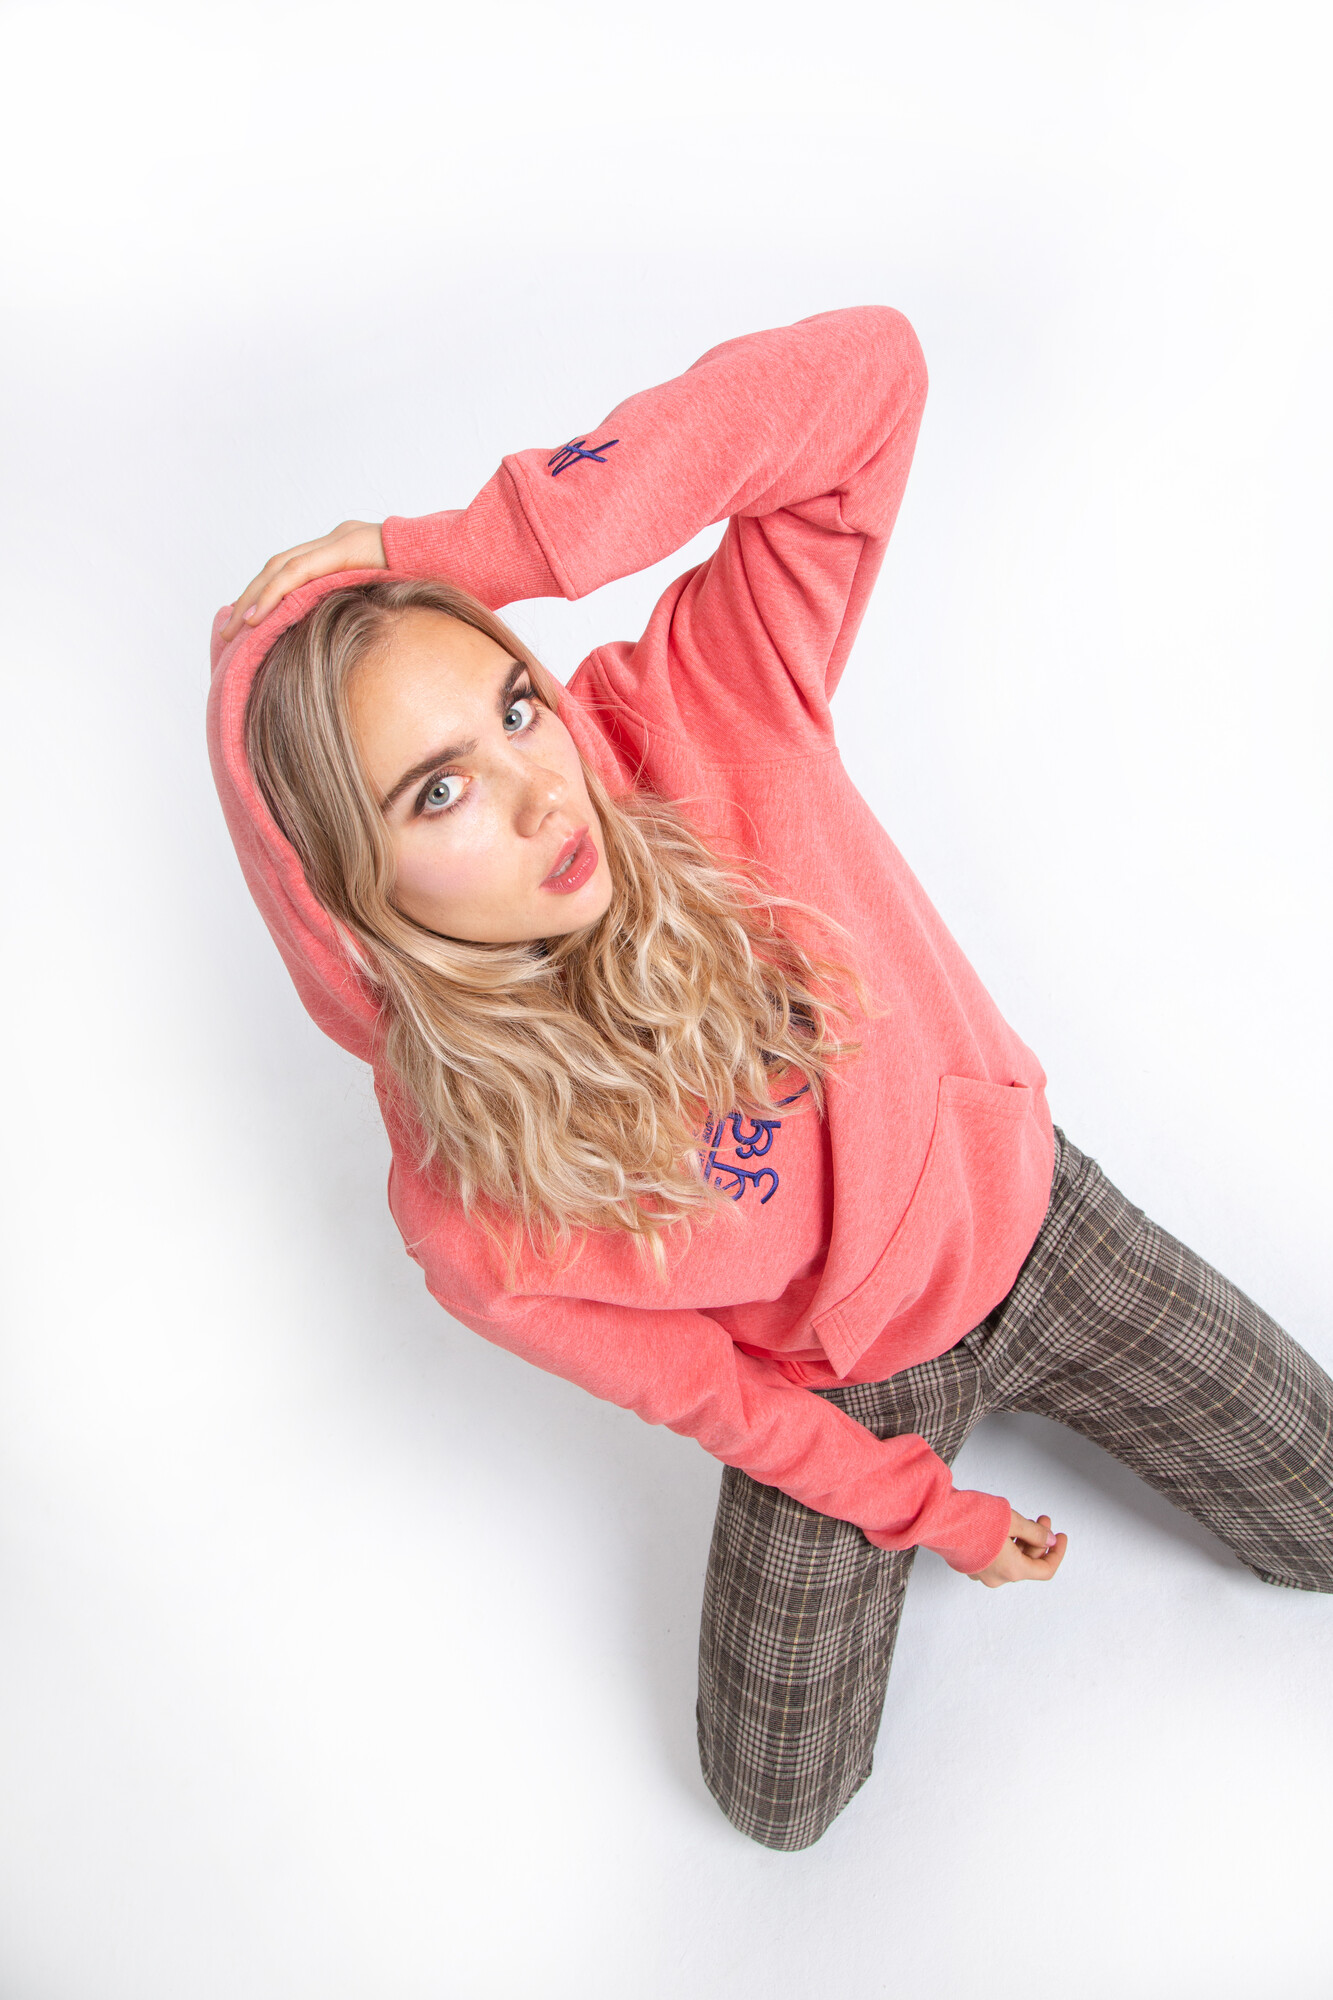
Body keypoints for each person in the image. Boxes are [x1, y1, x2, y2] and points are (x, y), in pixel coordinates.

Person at [209, 307, 1333, 1851]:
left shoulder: (707, 701)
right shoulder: (469, 1210)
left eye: (515, 705)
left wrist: (468, 544)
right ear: (348, 894)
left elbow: (868, 374)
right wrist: (931, 1512)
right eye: (440, 789)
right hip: (849, 1385)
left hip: (1040, 1230)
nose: (540, 790)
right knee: (774, 1806)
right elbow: (715, 1396)